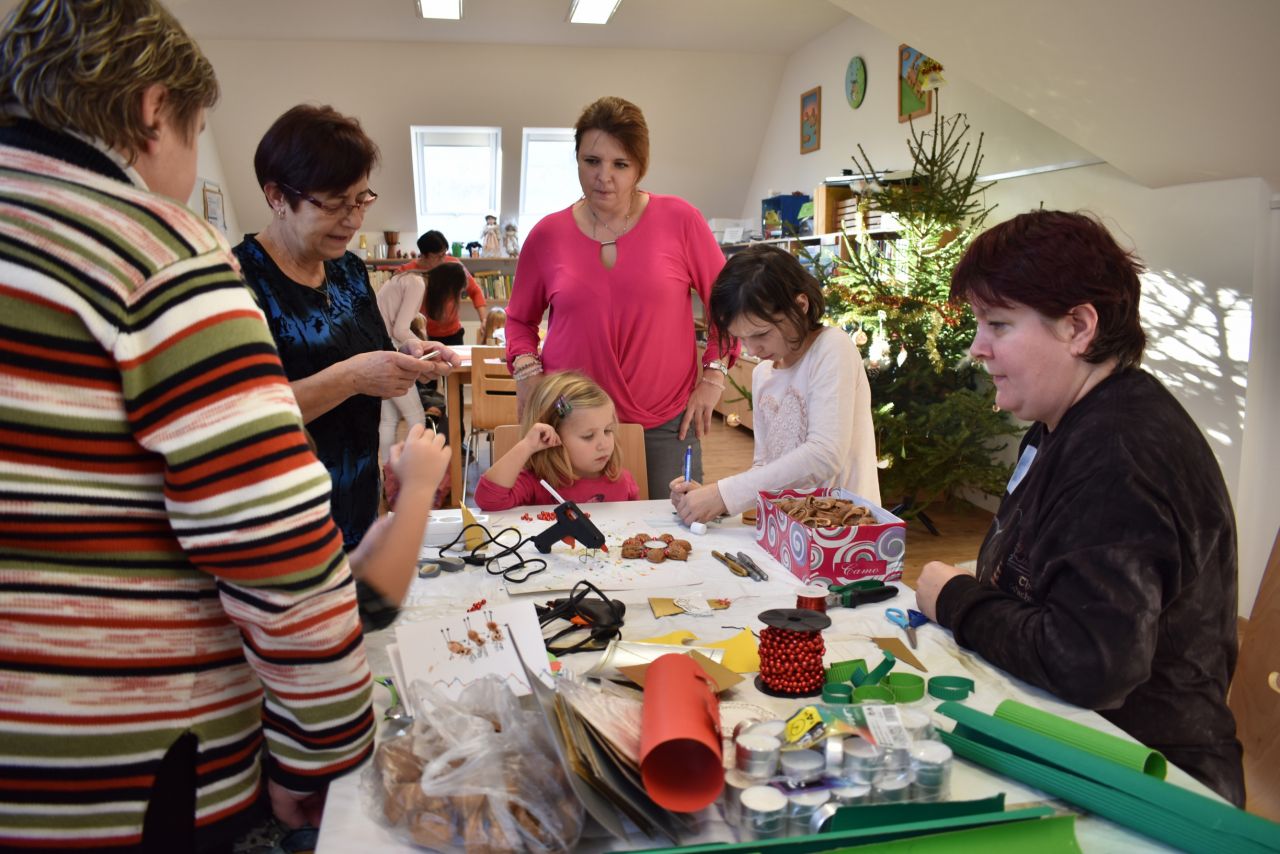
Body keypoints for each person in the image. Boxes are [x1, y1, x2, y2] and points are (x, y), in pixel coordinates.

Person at [0, 1, 379, 847]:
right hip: (121, 769)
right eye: (197, 131)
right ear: (152, 109)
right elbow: (276, 550)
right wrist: (322, 753)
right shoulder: (160, 258)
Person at [914, 210, 1244, 805]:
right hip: (1078, 738)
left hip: (1152, 783)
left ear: (1078, 327)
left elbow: (1090, 664)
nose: (977, 348)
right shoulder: (1066, 422)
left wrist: (957, 600)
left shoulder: (1118, 452)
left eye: (998, 324)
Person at [233, 105, 456, 549]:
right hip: (282, 521)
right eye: (334, 204)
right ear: (277, 196)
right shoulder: (237, 282)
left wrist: (412, 357)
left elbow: (372, 348)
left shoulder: (349, 271)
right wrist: (352, 377)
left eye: (361, 200)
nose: (354, 220)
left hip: (359, 501)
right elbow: (241, 418)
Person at [505, 95, 738, 499]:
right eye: (591, 161)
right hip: (570, 425)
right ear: (577, 160)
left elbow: (730, 304)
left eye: (620, 164)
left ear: (640, 167)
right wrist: (527, 374)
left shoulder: (680, 220)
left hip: (667, 422)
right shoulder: (546, 235)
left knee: (673, 529)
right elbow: (518, 320)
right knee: (573, 535)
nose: (604, 177)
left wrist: (714, 376)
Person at [670, 245, 880, 523]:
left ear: (800, 306)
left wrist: (724, 494)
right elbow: (765, 467)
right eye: (741, 338)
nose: (752, 349)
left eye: (761, 334)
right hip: (788, 529)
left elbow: (825, 455)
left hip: (847, 528)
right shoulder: (763, 374)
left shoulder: (832, 347)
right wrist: (713, 501)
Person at [475, 371, 638, 510]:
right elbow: (488, 500)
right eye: (588, 436)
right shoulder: (536, 483)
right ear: (553, 434)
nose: (604, 445)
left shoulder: (622, 481)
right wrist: (527, 445)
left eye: (608, 430)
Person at [399, 230, 488, 346]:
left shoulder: (454, 266)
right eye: (438, 256)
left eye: (444, 254)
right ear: (424, 255)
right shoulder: (406, 272)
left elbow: (475, 291)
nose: (443, 260)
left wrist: (483, 320)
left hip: (453, 334)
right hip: (422, 335)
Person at [375, 267, 427, 464]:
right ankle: (414, 472)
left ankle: (389, 474)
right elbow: (400, 330)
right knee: (416, 417)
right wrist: (426, 347)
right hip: (390, 351)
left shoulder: (400, 280)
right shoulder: (416, 282)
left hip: (377, 349)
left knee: (388, 420)